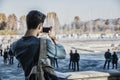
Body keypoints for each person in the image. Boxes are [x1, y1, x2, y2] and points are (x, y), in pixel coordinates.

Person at [11, 10, 66, 80]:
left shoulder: (15, 45)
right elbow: (62, 54)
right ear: (40, 26)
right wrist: (53, 38)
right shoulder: (44, 43)